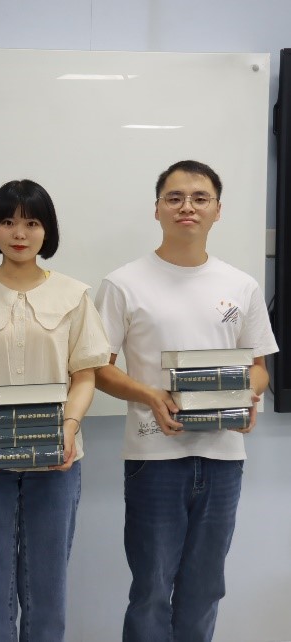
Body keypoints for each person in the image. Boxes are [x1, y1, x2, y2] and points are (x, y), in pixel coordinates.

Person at [94, 160, 278, 642]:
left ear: (218, 210)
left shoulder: (241, 284)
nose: (187, 207)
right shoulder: (123, 283)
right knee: (151, 590)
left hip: (222, 457)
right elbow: (98, 369)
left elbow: (259, 367)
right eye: (174, 198)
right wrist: (150, 395)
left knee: (205, 589)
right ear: (157, 209)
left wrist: (248, 394)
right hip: (154, 457)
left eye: (200, 198)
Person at [0, 179, 110, 641]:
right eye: (8, 221)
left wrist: (69, 427)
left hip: (57, 460)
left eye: (32, 223)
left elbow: (85, 374)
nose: (19, 233)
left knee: (47, 586)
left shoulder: (74, 295)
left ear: (46, 230)